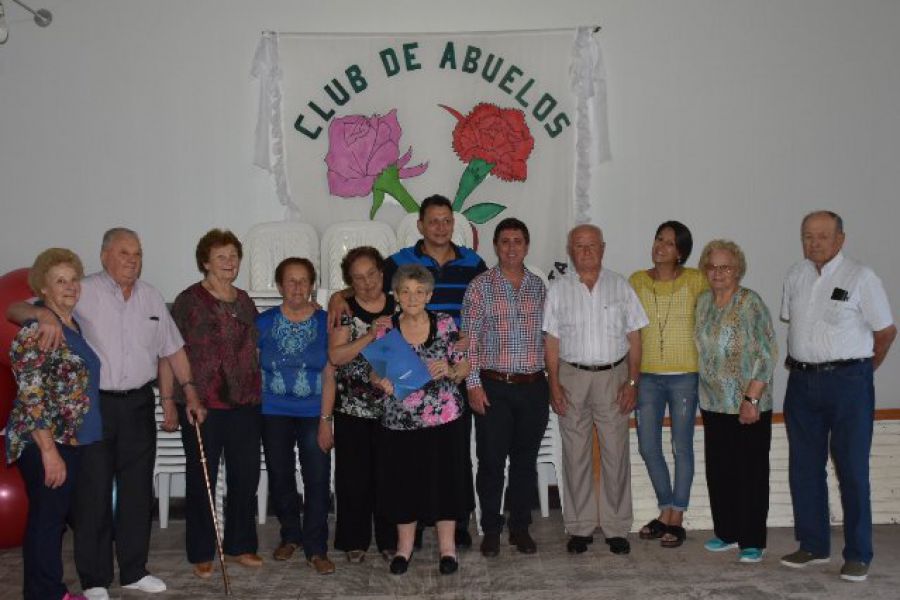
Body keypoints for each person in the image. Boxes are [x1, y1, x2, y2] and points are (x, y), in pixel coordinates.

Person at [6, 228, 199, 600]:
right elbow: (17, 310)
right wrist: (40, 315)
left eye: (138, 253)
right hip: (95, 407)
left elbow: (173, 349)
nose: (132, 260)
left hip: (140, 403)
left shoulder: (151, 297)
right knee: (92, 494)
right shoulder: (81, 290)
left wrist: (185, 393)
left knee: (138, 490)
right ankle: (94, 579)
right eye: (124, 252)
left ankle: (134, 570)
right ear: (105, 255)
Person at [329, 194, 486, 549]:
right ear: (420, 225)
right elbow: (366, 284)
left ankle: (454, 528)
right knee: (408, 465)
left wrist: (462, 359)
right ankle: (408, 535)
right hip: (403, 381)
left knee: (451, 459)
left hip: (447, 369)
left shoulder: (474, 261)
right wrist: (340, 296)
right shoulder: (399, 261)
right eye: (434, 221)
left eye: (447, 221)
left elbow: (482, 301)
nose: (441, 227)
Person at [779, 211, 896, 582]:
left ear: (841, 239)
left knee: (851, 469)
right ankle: (813, 545)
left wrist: (859, 373)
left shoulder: (862, 277)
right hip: (801, 382)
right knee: (804, 467)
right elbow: (795, 325)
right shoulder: (796, 276)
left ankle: (859, 553)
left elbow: (886, 332)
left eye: (823, 236)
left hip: (848, 385)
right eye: (808, 236)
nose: (814, 242)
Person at [160, 228, 262, 580]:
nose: (229, 262)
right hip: (202, 404)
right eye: (221, 256)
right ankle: (202, 551)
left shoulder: (245, 300)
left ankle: (240, 545)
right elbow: (169, 352)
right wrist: (169, 402)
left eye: (233, 256)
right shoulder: (189, 300)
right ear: (205, 261)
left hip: (246, 403)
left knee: (245, 477)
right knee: (202, 479)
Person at [543, 224, 648, 556]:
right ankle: (580, 528)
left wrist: (633, 382)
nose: (585, 252)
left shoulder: (621, 286)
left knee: (616, 452)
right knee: (575, 454)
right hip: (571, 377)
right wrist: (554, 383)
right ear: (570, 251)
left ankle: (617, 528)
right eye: (578, 246)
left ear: (603, 248)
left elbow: (635, 338)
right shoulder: (558, 289)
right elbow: (552, 341)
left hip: (613, 376)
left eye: (591, 246)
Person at [5, 249, 101, 600]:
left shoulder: (72, 324)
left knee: (51, 518)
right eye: (60, 281)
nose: (70, 286)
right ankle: (46, 593)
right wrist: (48, 451)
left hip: (69, 439)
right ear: (43, 290)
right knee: (47, 520)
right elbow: (32, 396)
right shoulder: (38, 330)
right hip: (45, 440)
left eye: (74, 279)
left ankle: (46, 590)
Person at [372, 264, 472, 576]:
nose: (412, 297)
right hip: (400, 422)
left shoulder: (445, 324)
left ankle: (447, 550)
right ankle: (403, 550)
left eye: (419, 291)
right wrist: (381, 381)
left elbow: (464, 366)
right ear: (396, 295)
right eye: (405, 291)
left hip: (444, 420)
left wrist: (451, 371)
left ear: (429, 295)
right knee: (404, 485)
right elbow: (375, 370)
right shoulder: (385, 328)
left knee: (445, 484)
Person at [460, 218, 548, 557]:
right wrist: (472, 385)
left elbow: (547, 338)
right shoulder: (480, 286)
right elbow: (470, 340)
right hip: (494, 387)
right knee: (492, 461)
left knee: (525, 461)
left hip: (533, 386)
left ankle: (520, 527)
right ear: (496, 246)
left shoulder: (538, 287)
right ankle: (492, 529)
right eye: (505, 241)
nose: (512, 247)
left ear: (526, 246)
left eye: (518, 241)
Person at [695, 240, 777, 564]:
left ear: (737, 270)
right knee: (720, 471)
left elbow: (767, 353)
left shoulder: (750, 303)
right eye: (712, 266)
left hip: (747, 404)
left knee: (751, 473)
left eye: (725, 267)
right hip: (713, 403)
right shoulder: (702, 303)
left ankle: (752, 540)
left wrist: (751, 398)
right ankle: (727, 532)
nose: (718, 273)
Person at [628, 221, 706, 548]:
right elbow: (629, 330)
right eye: (658, 238)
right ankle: (665, 508)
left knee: (681, 445)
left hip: (685, 376)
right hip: (647, 377)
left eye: (670, 243)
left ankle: (677, 515)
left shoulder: (696, 280)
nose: (661, 246)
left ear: (681, 252)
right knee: (648, 445)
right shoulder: (636, 281)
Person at [256, 257, 335, 575]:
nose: (298, 287)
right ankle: (290, 536)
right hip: (272, 410)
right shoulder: (263, 323)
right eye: (291, 280)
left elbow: (331, 372)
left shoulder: (326, 322)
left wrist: (326, 419)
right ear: (279, 286)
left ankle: (316, 547)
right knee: (280, 474)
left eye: (304, 280)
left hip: (314, 411)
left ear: (312, 285)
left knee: (317, 478)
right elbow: (250, 365)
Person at [326, 246, 397, 562]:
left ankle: (390, 540)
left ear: (382, 273)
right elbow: (336, 356)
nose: (367, 283)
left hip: (394, 408)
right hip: (352, 408)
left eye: (371, 274)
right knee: (353, 477)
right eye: (358, 278)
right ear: (349, 283)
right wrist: (369, 335)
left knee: (391, 475)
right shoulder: (345, 310)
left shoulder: (399, 305)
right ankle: (354, 540)